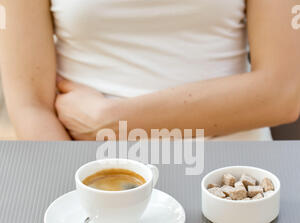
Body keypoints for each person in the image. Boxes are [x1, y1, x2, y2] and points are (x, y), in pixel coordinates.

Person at [0, 0, 299, 141]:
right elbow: (30, 105)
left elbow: (284, 93)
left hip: (233, 176)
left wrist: (114, 122)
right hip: (91, 172)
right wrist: (77, 191)